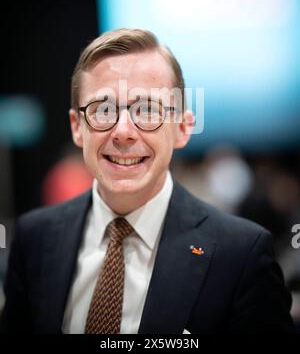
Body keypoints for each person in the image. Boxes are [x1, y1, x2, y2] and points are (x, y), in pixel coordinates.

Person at [0, 28, 295, 333]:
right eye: (103, 110)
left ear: (182, 128)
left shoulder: (241, 255)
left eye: (147, 110)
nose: (123, 131)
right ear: (77, 128)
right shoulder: (35, 239)